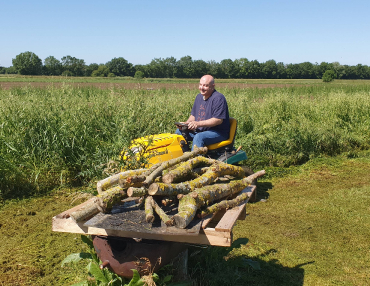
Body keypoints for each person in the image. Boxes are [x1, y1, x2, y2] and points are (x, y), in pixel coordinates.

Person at [176, 75, 230, 150]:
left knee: (199, 137)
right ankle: (182, 157)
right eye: (200, 85)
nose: (201, 88)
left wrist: (197, 124)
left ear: (213, 86)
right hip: (200, 130)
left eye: (205, 86)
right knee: (179, 132)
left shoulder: (218, 98)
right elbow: (193, 116)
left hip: (218, 132)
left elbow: (218, 120)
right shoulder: (199, 97)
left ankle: (196, 160)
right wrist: (186, 124)